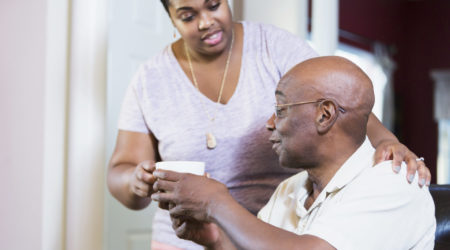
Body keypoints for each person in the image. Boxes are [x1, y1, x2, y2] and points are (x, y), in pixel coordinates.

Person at [106, 0, 431, 249]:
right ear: (171, 18)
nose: (206, 22)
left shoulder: (386, 187)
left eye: (214, 4)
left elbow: (337, 94)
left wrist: (388, 142)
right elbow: (122, 167)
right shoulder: (289, 193)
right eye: (188, 16)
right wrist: (213, 237)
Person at [151, 56, 437, 250]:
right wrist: (217, 240)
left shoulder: (394, 183)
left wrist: (216, 202)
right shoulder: (291, 189)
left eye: (280, 110)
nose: (269, 123)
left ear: (325, 115)